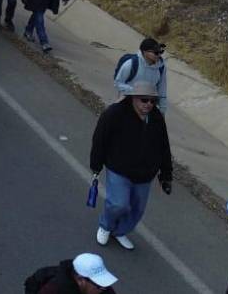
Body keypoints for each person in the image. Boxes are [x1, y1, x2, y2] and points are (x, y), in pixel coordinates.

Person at [89, 81, 173, 251]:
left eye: (152, 101)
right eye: (144, 100)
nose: (148, 104)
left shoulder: (156, 118)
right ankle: (106, 226)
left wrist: (166, 175)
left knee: (137, 209)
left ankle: (120, 231)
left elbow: (164, 146)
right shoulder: (115, 113)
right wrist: (96, 165)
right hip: (119, 169)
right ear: (133, 98)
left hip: (145, 173)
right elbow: (100, 139)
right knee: (118, 204)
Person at [113, 37, 168, 111]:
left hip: (147, 107)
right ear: (144, 52)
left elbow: (162, 90)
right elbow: (118, 83)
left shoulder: (161, 68)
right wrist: (137, 92)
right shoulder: (130, 64)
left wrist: (162, 109)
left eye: (160, 52)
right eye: (155, 53)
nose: (158, 55)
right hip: (128, 105)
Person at [25, 253, 119, 294]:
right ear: (80, 280)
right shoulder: (52, 289)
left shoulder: (102, 288)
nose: (103, 289)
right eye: (99, 286)